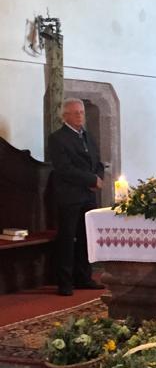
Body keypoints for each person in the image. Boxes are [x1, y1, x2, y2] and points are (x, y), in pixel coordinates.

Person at [48, 98, 105, 296]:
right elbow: (64, 169)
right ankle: (65, 282)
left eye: (82, 112)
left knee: (85, 238)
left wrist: (98, 178)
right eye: (75, 113)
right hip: (70, 196)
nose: (80, 116)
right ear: (65, 116)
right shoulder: (57, 138)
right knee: (67, 238)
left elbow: (97, 162)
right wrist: (91, 179)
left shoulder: (88, 136)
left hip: (88, 195)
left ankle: (84, 277)